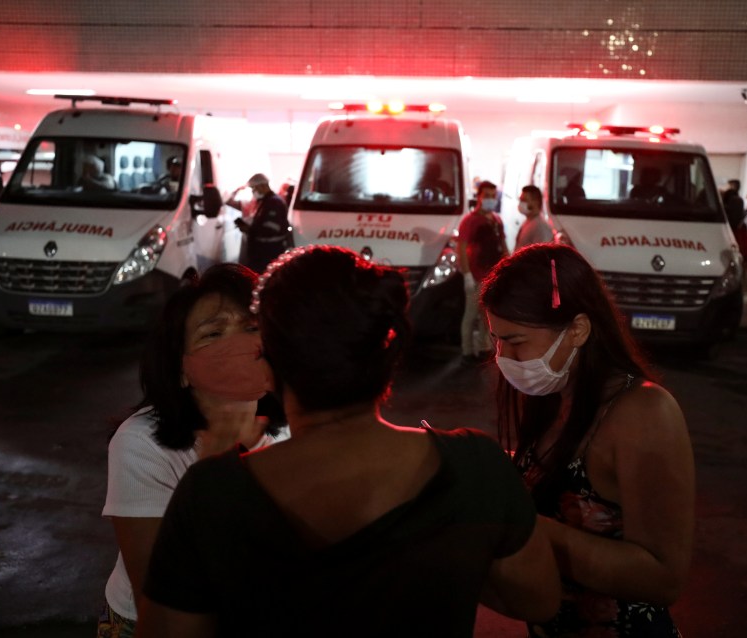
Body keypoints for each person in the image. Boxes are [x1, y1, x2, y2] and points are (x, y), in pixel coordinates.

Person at [138, 246, 561, 636]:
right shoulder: (476, 466)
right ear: (389, 357)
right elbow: (538, 600)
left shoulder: (215, 492)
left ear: (268, 363)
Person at [480, 243, 695, 637]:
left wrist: (520, 525)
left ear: (577, 329)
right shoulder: (553, 396)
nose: (502, 355)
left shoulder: (644, 413)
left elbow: (664, 577)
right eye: (497, 339)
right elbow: (554, 474)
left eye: (515, 341)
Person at [99, 263, 289, 637]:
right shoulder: (141, 445)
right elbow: (159, 601)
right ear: (182, 369)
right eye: (213, 334)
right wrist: (218, 463)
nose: (238, 348)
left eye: (251, 328)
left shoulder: (295, 425)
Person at [458, 180, 508, 364]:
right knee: (470, 315)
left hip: (492, 276)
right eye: (486, 195)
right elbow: (461, 248)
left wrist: (507, 267)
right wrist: (467, 275)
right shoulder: (470, 221)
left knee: (487, 316)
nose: (490, 199)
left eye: (492, 196)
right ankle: (467, 351)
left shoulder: (496, 220)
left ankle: (484, 349)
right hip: (476, 275)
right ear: (478, 197)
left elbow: (503, 246)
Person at [232, 173, 291, 274]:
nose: (253, 192)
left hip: (267, 254)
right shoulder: (266, 201)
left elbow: (270, 230)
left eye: (254, 189)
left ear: (263, 186)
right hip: (263, 253)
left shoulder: (274, 203)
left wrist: (248, 230)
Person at [514, 184, 554, 251]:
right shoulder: (529, 221)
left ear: (536, 202)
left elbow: (541, 255)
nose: (520, 203)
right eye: (520, 200)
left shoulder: (541, 227)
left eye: (524, 200)